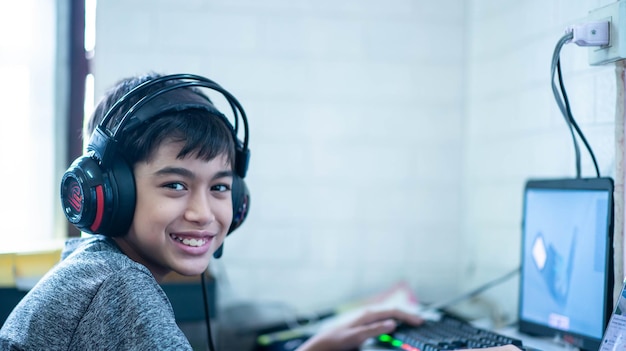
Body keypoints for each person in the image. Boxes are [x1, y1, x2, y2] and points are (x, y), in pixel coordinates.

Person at [0, 72, 517, 351]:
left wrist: (319, 346)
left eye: (220, 187)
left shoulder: (96, 268)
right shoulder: (119, 290)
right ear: (108, 193)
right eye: (176, 184)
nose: (204, 212)